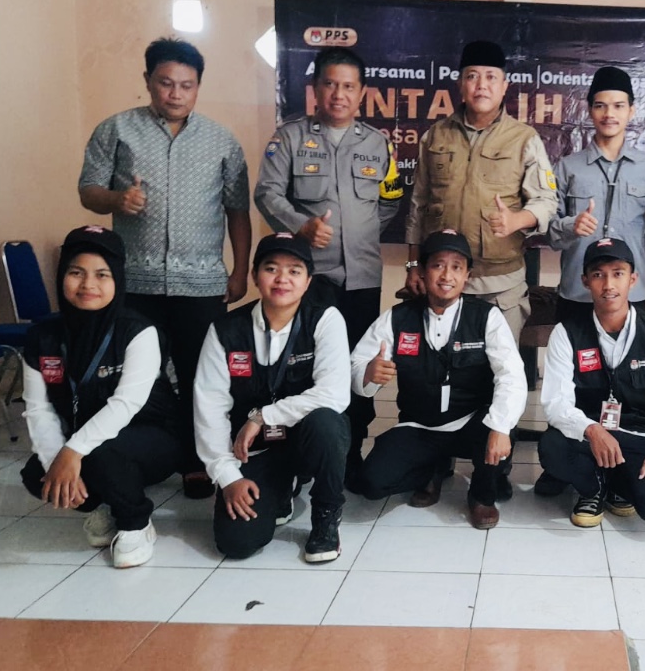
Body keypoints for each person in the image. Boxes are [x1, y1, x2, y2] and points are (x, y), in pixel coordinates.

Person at [78, 37, 252, 498]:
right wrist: (117, 199)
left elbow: (237, 210)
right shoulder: (116, 130)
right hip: (135, 283)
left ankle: (197, 462)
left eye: (186, 85)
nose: (175, 93)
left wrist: (239, 271)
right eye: (166, 83)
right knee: (139, 377)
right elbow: (88, 190)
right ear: (148, 81)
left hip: (201, 283)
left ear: (198, 87)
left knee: (201, 376)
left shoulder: (221, 140)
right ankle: (141, 459)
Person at [255, 47, 403, 489]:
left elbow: (390, 201)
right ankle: (302, 457)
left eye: (349, 86)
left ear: (362, 92)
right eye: (330, 84)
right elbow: (266, 193)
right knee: (305, 368)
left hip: (361, 279)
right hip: (309, 280)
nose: (339, 94)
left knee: (358, 366)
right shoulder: (290, 138)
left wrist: (358, 235)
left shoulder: (377, 143)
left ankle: (349, 454)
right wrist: (301, 227)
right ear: (316, 89)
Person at [20, 226, 184, 568]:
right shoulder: (43, 337)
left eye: (102, 274)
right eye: (76, 272)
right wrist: (56, 462)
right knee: (38, 473)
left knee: (102, 453)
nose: (88, 284)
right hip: (88, 440)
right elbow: (38, 409)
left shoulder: (138, 331)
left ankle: (136, 522)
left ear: (117, 280)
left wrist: (72, 451)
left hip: (154, 439)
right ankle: (100, 507)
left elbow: (127, 404)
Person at [537, 66, 645, 499]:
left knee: (628, 386)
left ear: (631, 111)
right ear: (589, 111)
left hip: (633, 296)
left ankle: (618, 464)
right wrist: (570, 225)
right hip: (577, 293)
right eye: (601, 105)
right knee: (573, 383)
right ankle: (566, 464)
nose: (609, 114)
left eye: (618, 106)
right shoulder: (567, 166)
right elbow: (548, 230)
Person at [351, 230, 527, 529]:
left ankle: (481, 495)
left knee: (500, 432)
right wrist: (368, 373)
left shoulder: (486, 317)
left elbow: (511, 375)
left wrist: (500, 427)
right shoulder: (398, 317)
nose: (447, 275)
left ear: (467, 276)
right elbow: (356, 364)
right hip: (420, 426)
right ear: (422, 271)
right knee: (371, 483)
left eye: (457, 267)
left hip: (472, 422)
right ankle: (430, 469)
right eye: (438, 265)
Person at [194, 233, 352, 563]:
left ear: (308, 281)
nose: (282, 279)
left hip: (304, 441)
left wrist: (263, 416)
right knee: (237, 543)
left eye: (294, 271)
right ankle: (280, 487)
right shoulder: (225, 330)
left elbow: (334, 393)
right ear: (254, 276)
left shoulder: (325, 320)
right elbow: (209, 408)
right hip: (254, 450)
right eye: (271, 268)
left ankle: (325, 518)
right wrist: (228, 477)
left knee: (328, 422)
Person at [404, 40, 558, 340]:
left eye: (491, 77)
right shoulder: (436, 136)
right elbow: (418, 206)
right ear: (461, 84)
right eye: (472, 76)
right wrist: (412, 265)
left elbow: (546, 200)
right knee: (441, 364)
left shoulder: (524, 138)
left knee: (499, 367)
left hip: (500, 286)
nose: (481, 85)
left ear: (504, 86)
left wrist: (517, 220)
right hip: (444, 283)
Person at [539, 238, 645, 527]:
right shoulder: (567, 332)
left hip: (640, 436)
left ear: (633, 279)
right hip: (590, 435)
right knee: (552, 448)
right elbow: (556, 402)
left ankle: (618, 484)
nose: (608, 285)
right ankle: (593, 488)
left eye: (618, 273)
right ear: (585, 281)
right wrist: (592, 430)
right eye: (598, 274)